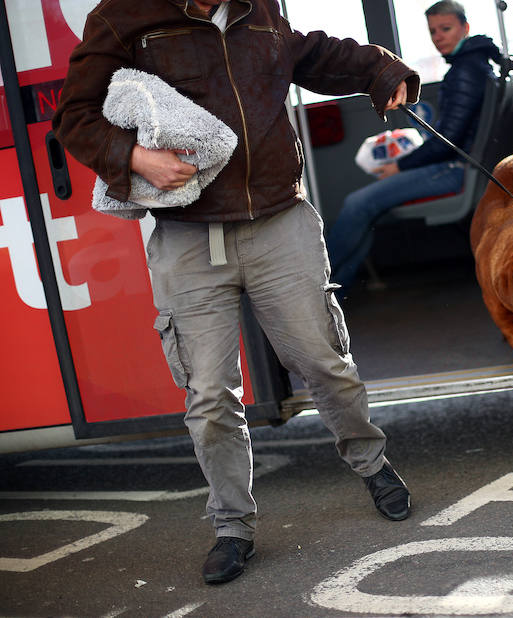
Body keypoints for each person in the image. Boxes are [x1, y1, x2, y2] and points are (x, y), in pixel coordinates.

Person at [52, 0, 420, 585]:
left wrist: (383, 69)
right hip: (188, 236)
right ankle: (232, 526)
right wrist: (136, 157)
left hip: (280, 219)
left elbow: (310, 54)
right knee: (209, 396)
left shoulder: (260, 8)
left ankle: (371, 463)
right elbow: (75, 116)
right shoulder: (122, 14)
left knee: (325, 362)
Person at [325, 0, 501, 292]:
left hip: (456, 170)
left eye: (445, 28)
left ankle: (320, 285)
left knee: (358, 204)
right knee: (365, 207)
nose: (438, 37)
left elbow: (448, 144)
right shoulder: (475, 65)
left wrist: (399, 166)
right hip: (463, 165)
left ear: (465, 28)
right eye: (433, 31)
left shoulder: (465, 72)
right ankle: (337, 289)